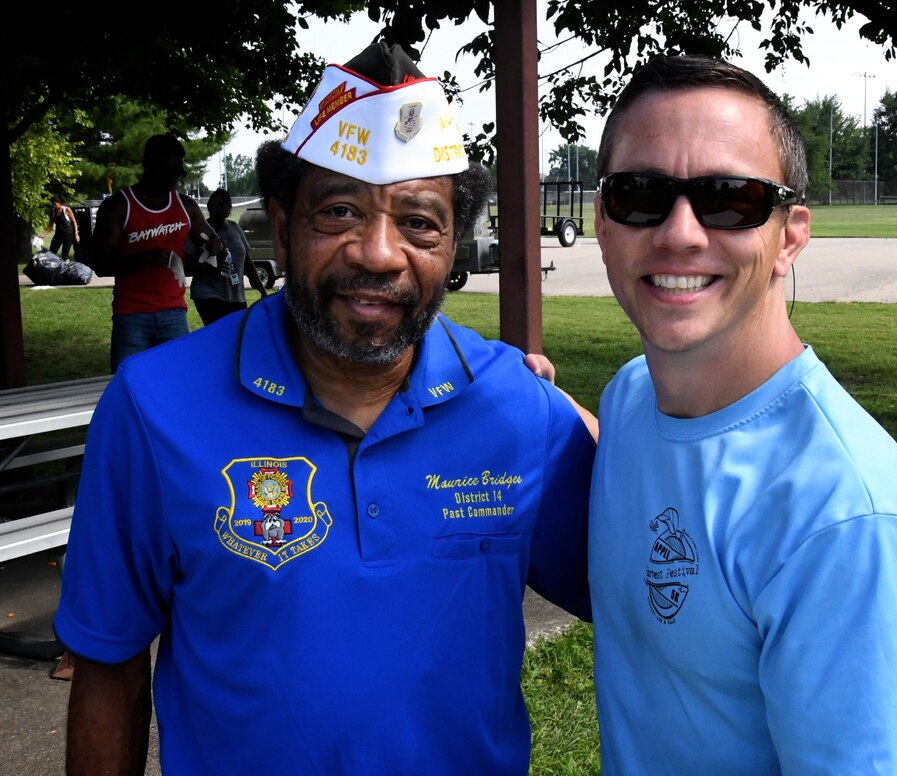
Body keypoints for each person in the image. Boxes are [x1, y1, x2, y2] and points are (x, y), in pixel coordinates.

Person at [55, 41, 594, 775]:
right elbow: (108, 668)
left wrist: (642, 437)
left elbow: (650, 600)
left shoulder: (518, 410)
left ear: (453, 244)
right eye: (339, 211)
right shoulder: (151, 408)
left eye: (419, 222)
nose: (377, 252)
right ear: (281, 225)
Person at [573, 55, 897, 774]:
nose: (680, 233)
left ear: (790, 234)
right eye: (641, 194)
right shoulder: (632, 400)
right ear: (603, 223)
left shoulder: (854, 530)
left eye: (731, 198)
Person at [90, 133, 222, 372]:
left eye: (179, 173)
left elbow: (210, 241)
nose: (174, 179)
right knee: (129, 388)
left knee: (177, 386)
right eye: (166, 171)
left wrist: (214, 245)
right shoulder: (119, 206)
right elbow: (100, 264)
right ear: (147, 165)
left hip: (174, 313)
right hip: (131, 316)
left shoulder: (186, 206)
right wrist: (143, 259)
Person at [186, 187, 268, 325]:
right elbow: (186, 267)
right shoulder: (199, 231)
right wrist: (209, 268)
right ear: (208, 206)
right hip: (208, 294)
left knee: (236, 336)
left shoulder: (235, 228)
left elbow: (247, 264)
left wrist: (262, 290)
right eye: (216, 203)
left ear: (230, 208)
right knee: (219, 335)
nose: (221, 207)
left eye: (225, 204)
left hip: (236, 296)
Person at [39, 194, 80, 259]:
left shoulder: (66, 210)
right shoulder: (53, 212)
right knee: (52, 252)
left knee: (65, 255)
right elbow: (50, 225)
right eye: (53, 204)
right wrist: (44, 234)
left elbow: (74, 222)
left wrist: (76, 234)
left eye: (55, 204)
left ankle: (66, 267)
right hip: (58, 234)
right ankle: (53, 267)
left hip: (68, 235)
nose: (53, 206)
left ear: (60, 203)